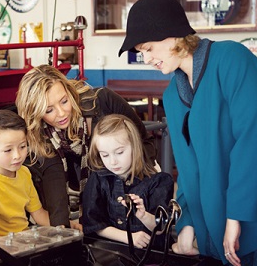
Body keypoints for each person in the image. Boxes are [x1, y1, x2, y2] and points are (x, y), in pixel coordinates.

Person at [119, 0, 257, 266]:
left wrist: (235, 217)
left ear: (172, 34)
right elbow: (189, 168)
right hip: (226, 232)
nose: (147, 59)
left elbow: (252, 139)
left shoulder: (232, 59)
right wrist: (188, 224)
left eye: (148, 48)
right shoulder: (172, 95)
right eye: (142, 53)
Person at [15, 64, 157, 228]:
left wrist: (128, 188)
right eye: (49, 110)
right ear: (35, 113)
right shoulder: (41, 137)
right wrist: (64, 233)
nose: (61, 113)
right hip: (87, 217)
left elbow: (145, 143)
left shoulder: (103, 101)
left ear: (69, 91)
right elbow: (56, 194)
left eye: (64, 101)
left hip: (129, 199)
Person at [81, 114, 174, 249]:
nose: (112, 161)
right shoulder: (97, 179)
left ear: (134, 146)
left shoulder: (159, 181)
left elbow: (160, 228)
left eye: (119, 152)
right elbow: (92, 225)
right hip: (112, 257)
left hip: (152, 257)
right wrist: (128, 237)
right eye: (105, 155)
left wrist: (144, 216)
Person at [0, 109, 50, 239]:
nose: (17, 156)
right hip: (0, 249)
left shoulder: (24, 172)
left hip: (22, 241)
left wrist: (67, 226)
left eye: (22, 147)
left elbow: (38, 213)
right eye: (8, 150)